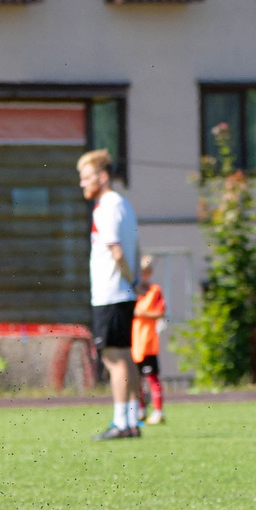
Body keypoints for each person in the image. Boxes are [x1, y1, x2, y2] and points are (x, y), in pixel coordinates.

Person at [82, 148, 142, 440]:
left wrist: (132, 280)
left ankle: (120, 422)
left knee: (113, 359)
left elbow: (116, 250)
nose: (82, 183)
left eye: (86, 177)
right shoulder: (125, 205)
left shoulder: (105, 207)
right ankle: (132, 421)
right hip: (124, 292)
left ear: (102, 177)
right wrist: (136, 282)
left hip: (110, 292)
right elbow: (136, 247)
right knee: (126, 356)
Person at [131, 258, 166, 426]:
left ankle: (158, 412)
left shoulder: (154, 290)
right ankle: (141, 411)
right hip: (135, 342)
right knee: (136, 379)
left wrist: (140, 313)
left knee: (152, 378)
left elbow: (160, 313)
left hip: (148, 342)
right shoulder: (133, 291)